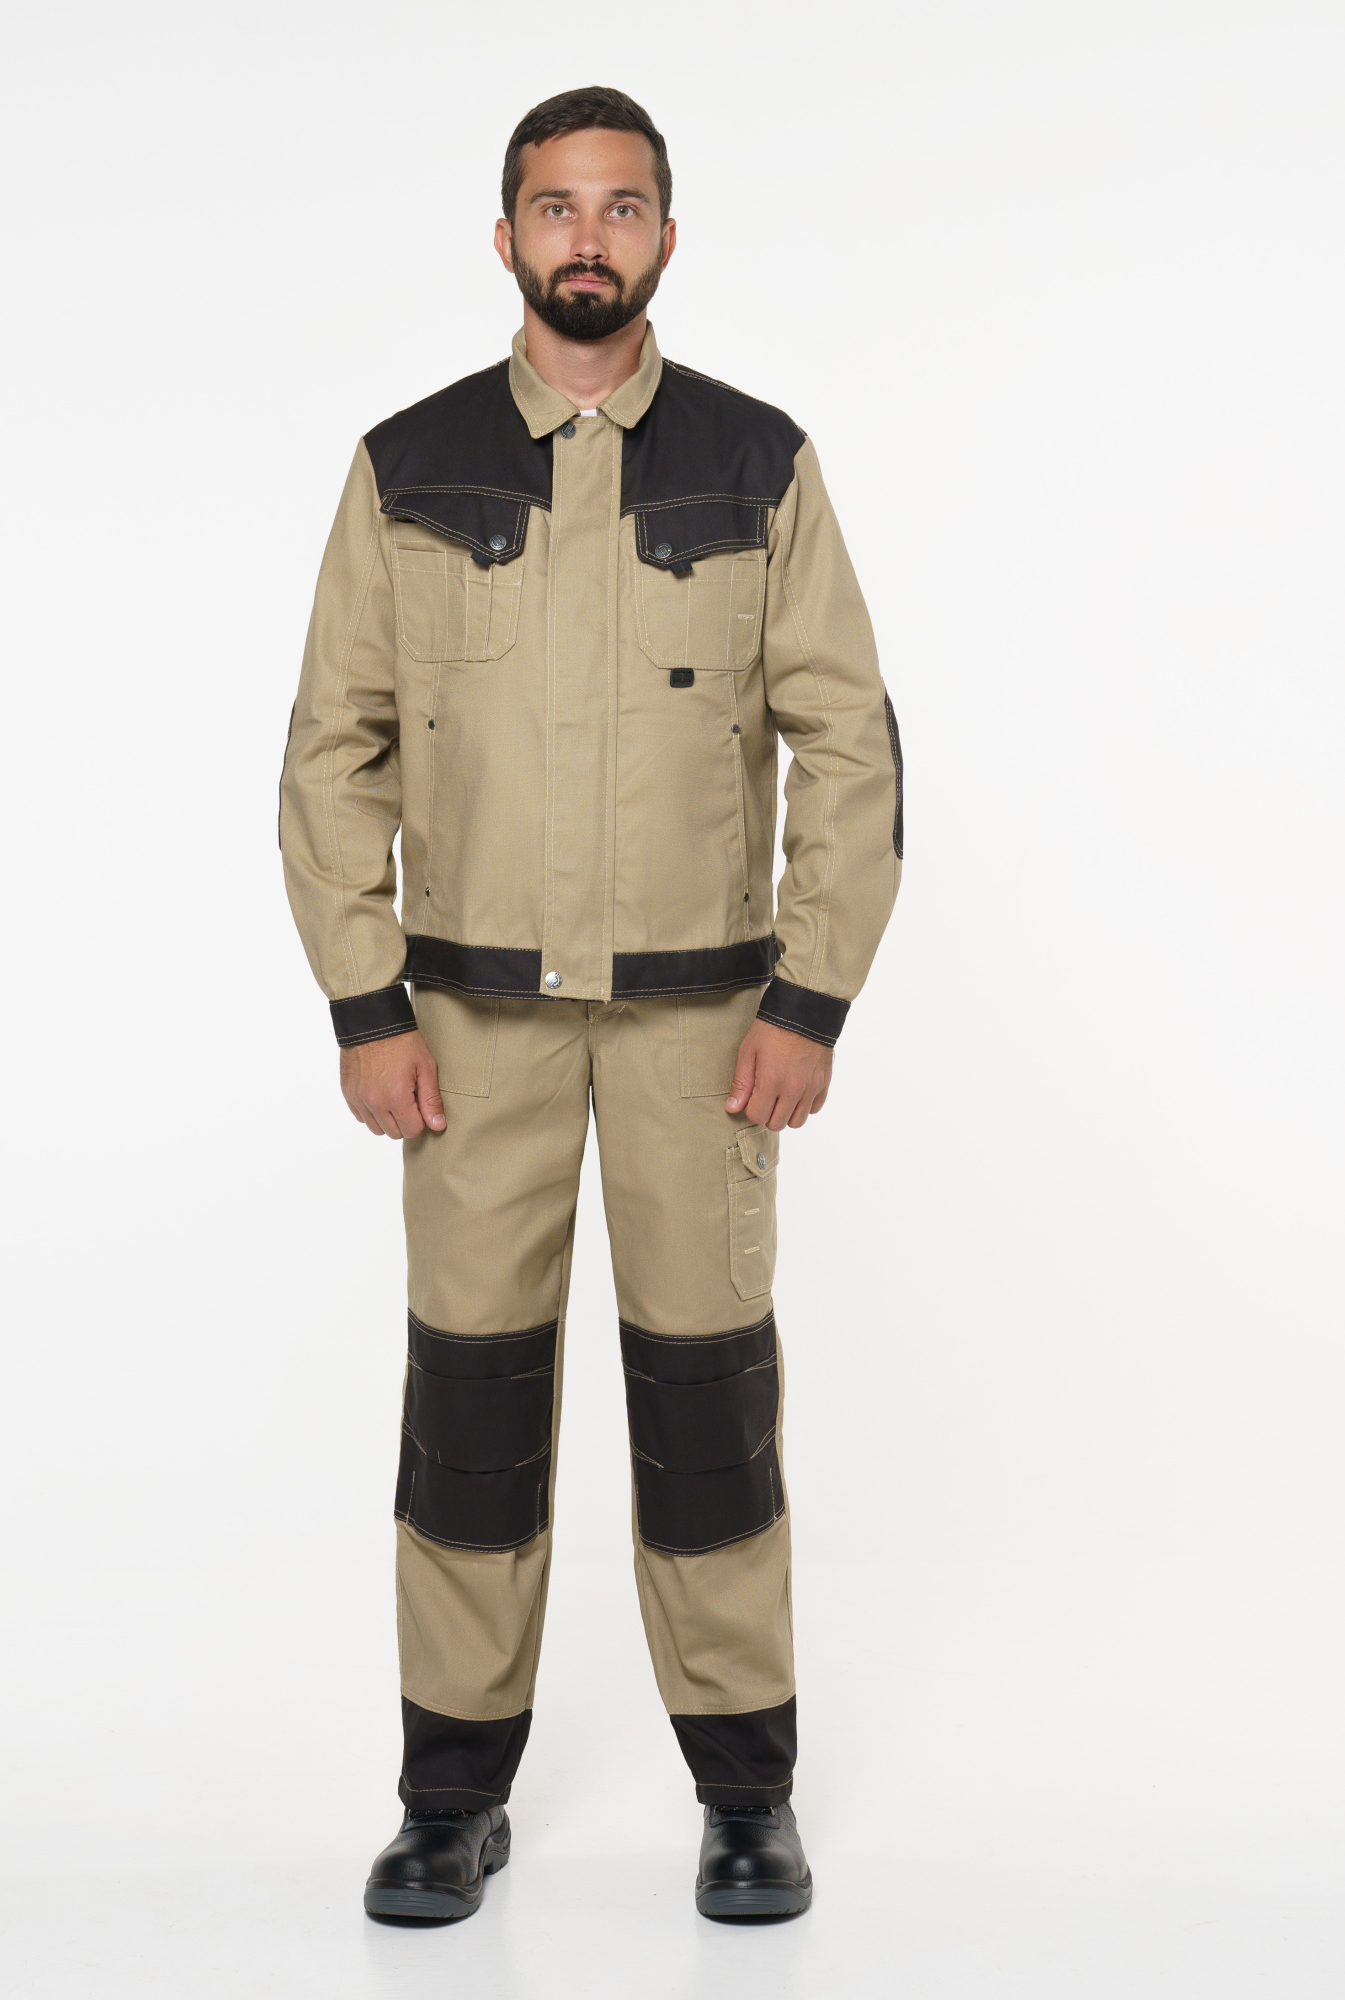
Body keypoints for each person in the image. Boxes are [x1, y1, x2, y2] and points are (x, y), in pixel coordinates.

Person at [279, 85, 902, 1923]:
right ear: (505, 236)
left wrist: (811, 998)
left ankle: (748, 1798)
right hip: (468, 1041)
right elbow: (331, 753)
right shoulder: (408, 468)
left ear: (666, 238)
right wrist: (365, 1005)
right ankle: (449, 1799)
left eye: (622, 207)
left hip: (706, 1041)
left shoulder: (756, 463)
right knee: (468, 1420)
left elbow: (849, 746)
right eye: (556, 206)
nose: (587, 237)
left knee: (710, 1414)